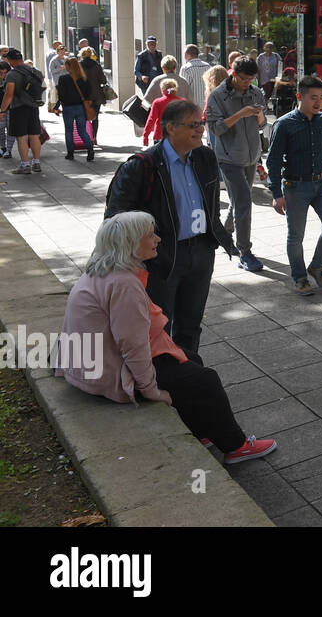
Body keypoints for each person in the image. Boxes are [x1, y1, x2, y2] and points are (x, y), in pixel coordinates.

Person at [57, 211, 275, 464]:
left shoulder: (104, 270)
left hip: (92, 365)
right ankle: (236, 446)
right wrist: (152, 391)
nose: (158, 239)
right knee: (205, 380)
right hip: (106, 373)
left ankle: (202, 431)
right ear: (130, 243)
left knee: (191, 360)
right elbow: (133, 346)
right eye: (150, 235)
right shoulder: (123, 284)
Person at [105, 100, 237, 356]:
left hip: (201, 252)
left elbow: (210, 203)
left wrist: (214, 236)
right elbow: (115, 219)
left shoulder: (205, 156)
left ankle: (187, 372)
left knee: (190, 324)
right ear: (171, 128)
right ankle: (160, 375)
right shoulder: (142, 166)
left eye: (201, 123)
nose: (201, 129)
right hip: (161, 258)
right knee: (158, 325)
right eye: (193, 124)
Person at [266, 74, 322, 296]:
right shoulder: (284, 124)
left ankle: (316, 267)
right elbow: (273, 160)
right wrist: (276, 193)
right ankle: (299, 277)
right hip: (295, 187)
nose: (319, 102)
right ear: (300, 96)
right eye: (313, 97)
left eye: (321, 98)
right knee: (296, 235)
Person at [206, 57, 267, 273]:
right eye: (243, 78)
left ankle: (225, 233)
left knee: (238, 200)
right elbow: (216, 129)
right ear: (233, 73)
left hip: (251, 156)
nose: (246, 83)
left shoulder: (255, 92)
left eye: (251, 79)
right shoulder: (218, 96)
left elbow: (263, 124)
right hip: (229, 157)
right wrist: (240, 113)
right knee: (243, 202)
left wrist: (259, 114)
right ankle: (245, 252)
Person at [1, 47, 46, 175]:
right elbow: (41, 87)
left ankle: (25, 165)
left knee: (21, 138)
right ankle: (36, 162)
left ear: (11, 60)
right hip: (34, 107)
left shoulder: (12, 74)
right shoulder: (35, 71)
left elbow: (9, 94)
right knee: (34, 136)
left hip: (18, 108)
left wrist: (2, 110)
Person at [53, 56, 96, 162]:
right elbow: (88, 94)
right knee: (82, 131)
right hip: (81, 107)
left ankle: (70, 153)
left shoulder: (63, 79)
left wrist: (56, 107)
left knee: (69, 131)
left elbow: (61, 95)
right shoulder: (84, 79)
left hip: (68, 108)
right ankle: (90, 149)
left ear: (68, 67)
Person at [77, 46, 108, 144]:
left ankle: (86, 137)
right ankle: (94, 137)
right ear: (91, 54)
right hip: (96, 95)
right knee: (95, 117)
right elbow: (103, 80)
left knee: (84, 117)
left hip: (84, 95)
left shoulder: (79, 66)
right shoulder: (97, 65)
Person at [142, 78, 183, 146]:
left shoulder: (158, 102)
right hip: (178, 136)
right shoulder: (182, 102)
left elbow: (151, 120)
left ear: (163, 90)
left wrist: (145, 136)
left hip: (160, 135)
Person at [46, 42, 68, 110]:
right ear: (57, 52)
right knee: (62, 94)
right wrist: (60, 68)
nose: (63, 53)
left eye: (64, 51)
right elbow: (51, 71)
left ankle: (58, 107)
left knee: (64, 94)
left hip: (67, 80)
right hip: (58, 80)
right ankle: (57, 107)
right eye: (61, 51)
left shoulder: (67, 59)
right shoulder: (54, 60)